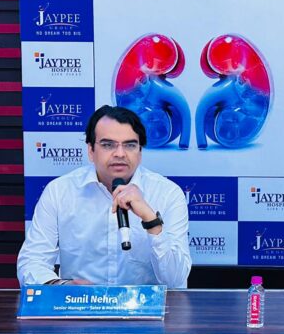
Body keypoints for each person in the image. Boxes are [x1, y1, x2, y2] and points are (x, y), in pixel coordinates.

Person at [17, 105, 191, 288]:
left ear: (140, 152)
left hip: (147, 306)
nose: (120, 154)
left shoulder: (168, 194)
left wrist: (151, 220)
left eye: (130, 145)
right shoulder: (59, 191)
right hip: (79, 303)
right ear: (91, 151)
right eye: (108, 145)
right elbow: (31, 262)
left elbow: (176, 280)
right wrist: (61, 286)